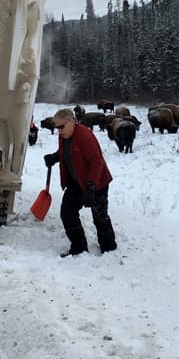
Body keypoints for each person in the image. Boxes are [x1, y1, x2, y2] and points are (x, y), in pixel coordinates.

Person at [43, 108, 117, 256]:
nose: (58, 130)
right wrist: (55, 157)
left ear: (71, 122)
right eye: (56, 127)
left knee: (100, 217)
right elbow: (66, 151)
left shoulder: (84, 135)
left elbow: (96, 162)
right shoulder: (64, 135)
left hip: (97, 183)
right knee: (67, 213)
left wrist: (91, 187)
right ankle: (79, 247)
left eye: (61, 126)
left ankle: (109, 248)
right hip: (76, 182)